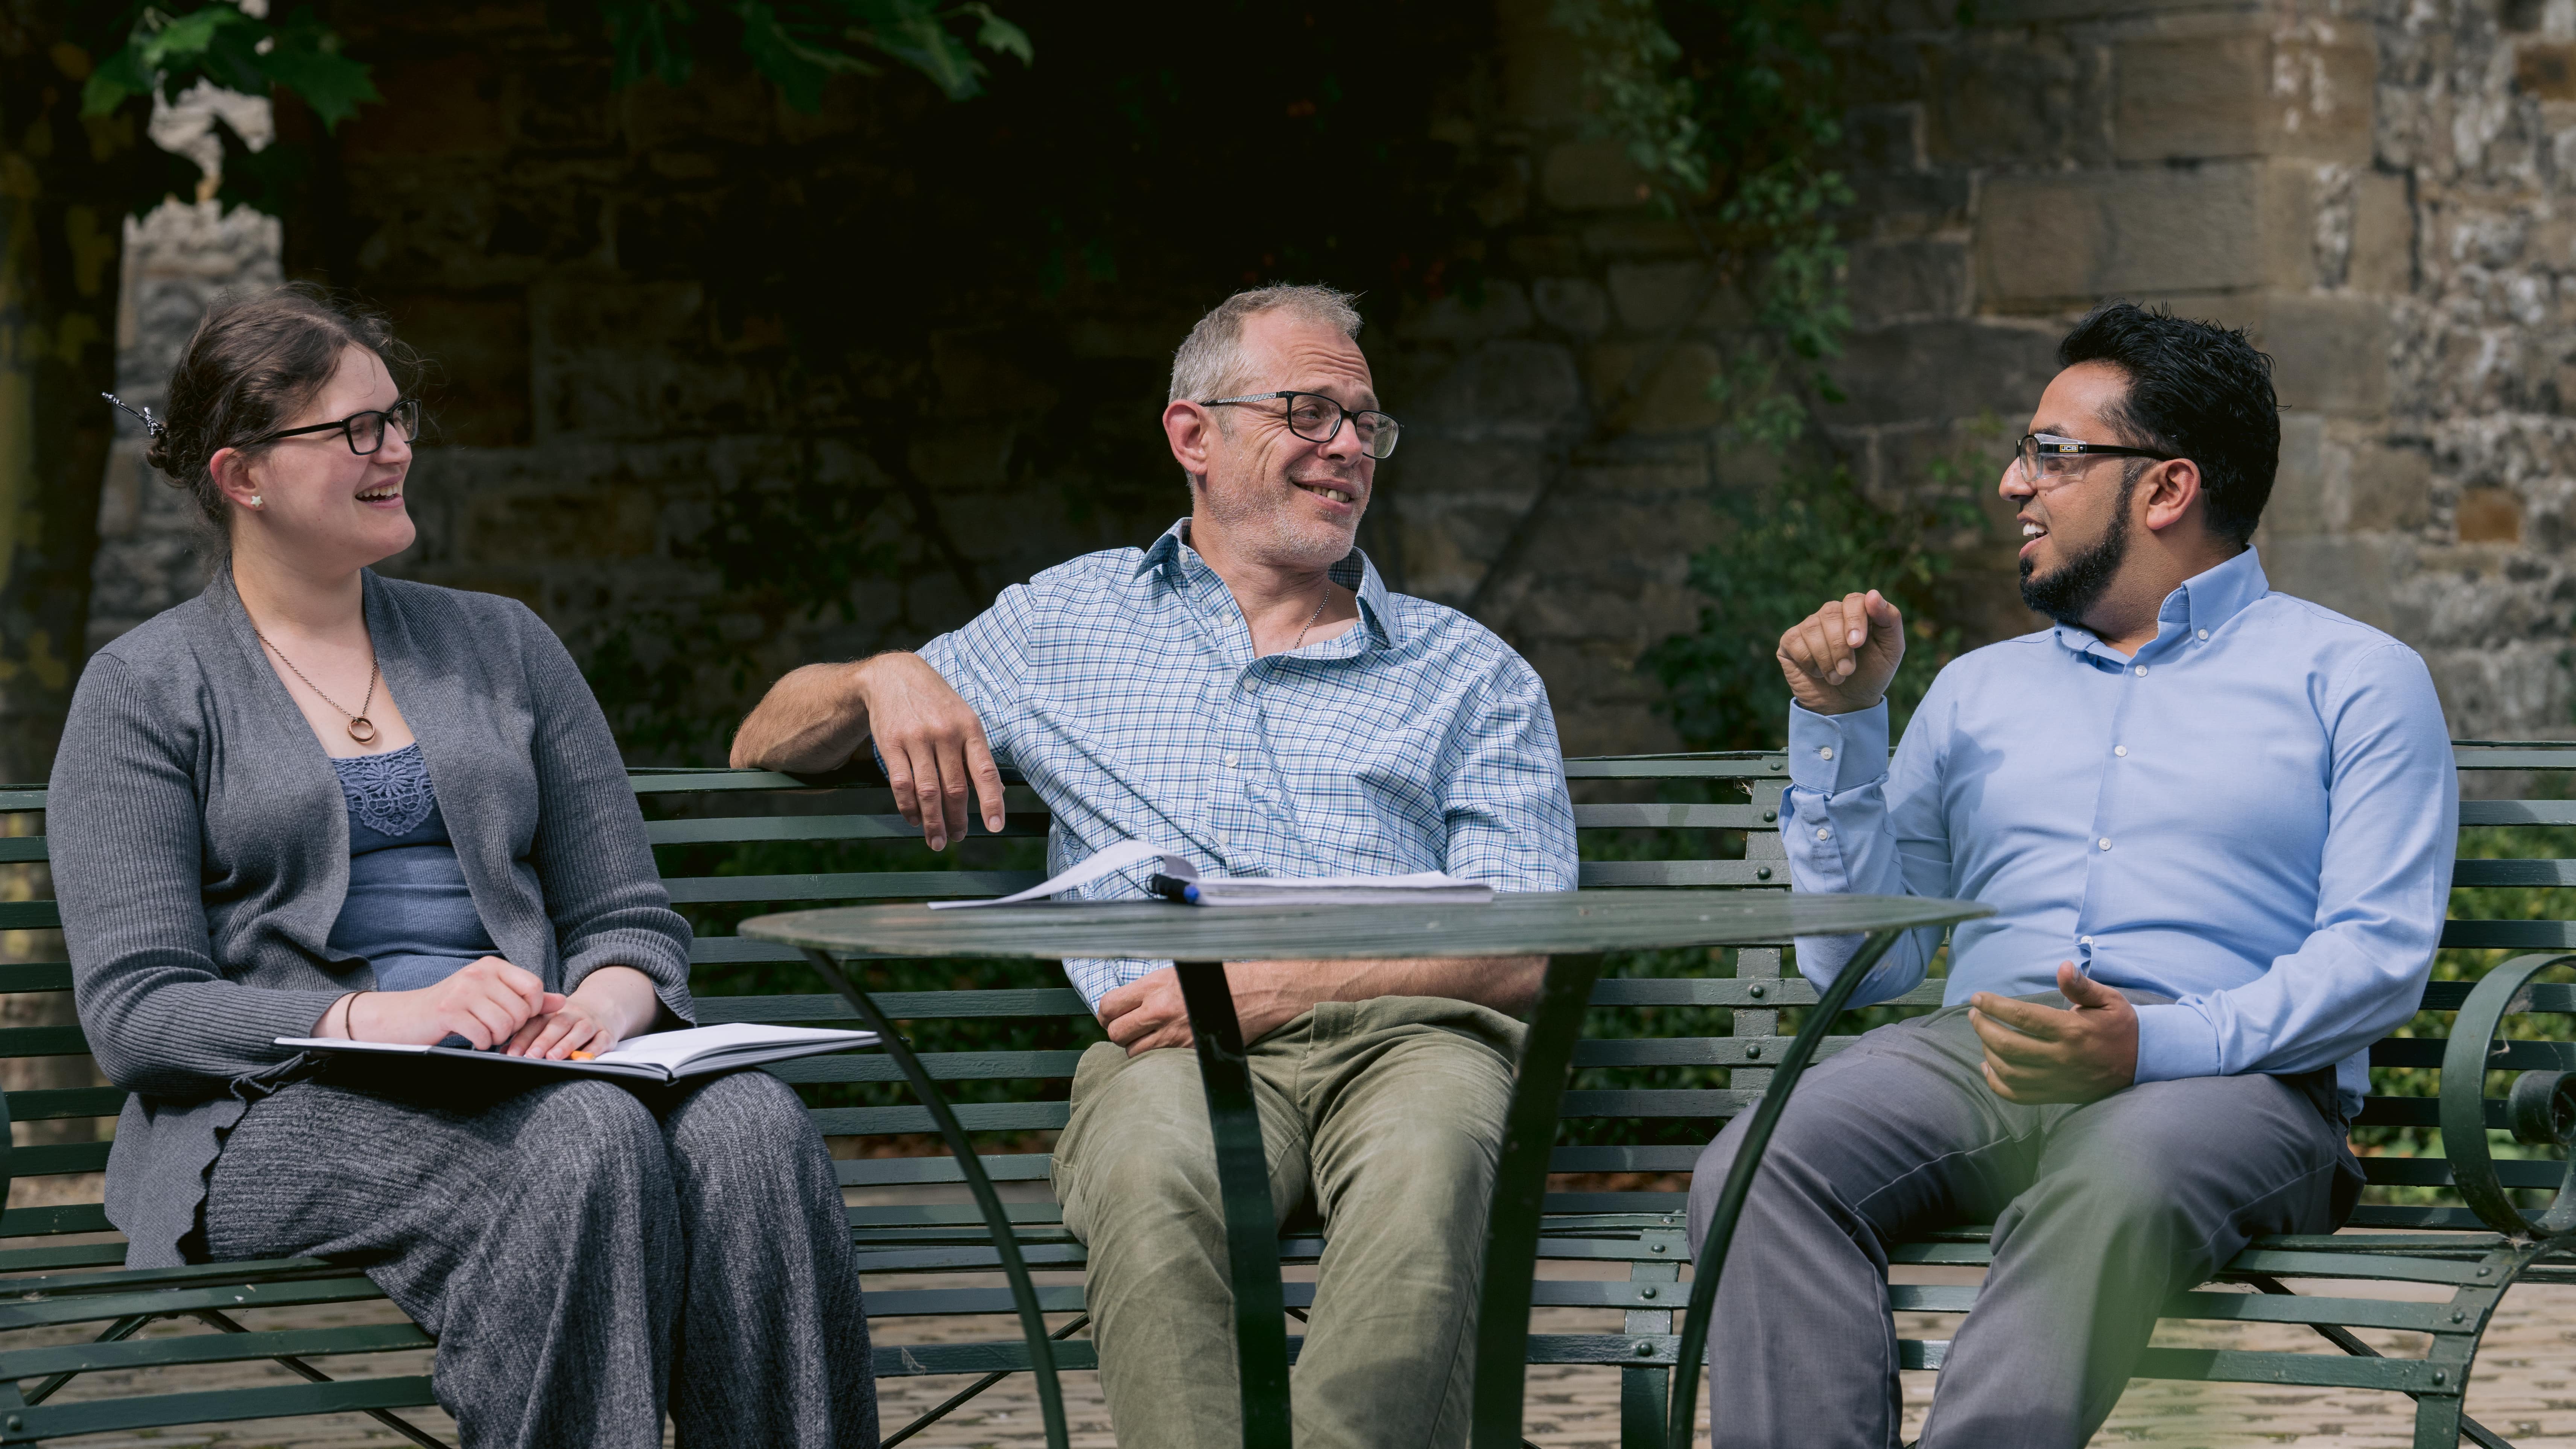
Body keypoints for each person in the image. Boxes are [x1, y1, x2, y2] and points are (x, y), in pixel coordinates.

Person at [731, 283, 1579, 1447]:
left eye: (1364, 423)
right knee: (1146, 1172)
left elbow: (1527, 948)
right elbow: (764, 737)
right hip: (1175, 1051)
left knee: (1433, 1164)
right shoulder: (1063, 624)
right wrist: (881, 676)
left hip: (1418, 1034)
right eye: (1309, 412)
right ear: (1195, 434)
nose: (1347, 449)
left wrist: (1289, 984)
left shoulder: (1469, 672)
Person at [51, 287, 877, 1449]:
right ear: (242, 477)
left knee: (751, 1125)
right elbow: (139, 1012)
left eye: (396, 418)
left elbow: (629, 915)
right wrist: (384, 1015)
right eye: (353, 430)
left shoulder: (503, 644)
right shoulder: (146, 689)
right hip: (272, 1113)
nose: (394, 449)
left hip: (542, 1078)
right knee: (587, 1145)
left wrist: (599, 1005)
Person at [1686, 301, 2457, 1447]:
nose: (2014, 482)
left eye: (2051, 454)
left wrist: (2156, 1040)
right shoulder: (1974, 691)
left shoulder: (2357, 680)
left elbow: (2377, 959)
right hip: (1980, 1054)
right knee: (1756, 1162)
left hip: (2237, 1086)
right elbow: (1865, 960)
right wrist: (1841, 728)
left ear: (2165, 489)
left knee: (2118, 1175)